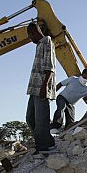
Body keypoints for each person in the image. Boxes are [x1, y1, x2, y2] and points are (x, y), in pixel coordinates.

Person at [25, 22, 57, 155]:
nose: (29, 39)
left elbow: (49, 67)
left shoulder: (47, 42)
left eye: (29, 35)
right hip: (34, 88)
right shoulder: (39, 45)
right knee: (30, 118)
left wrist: (44, 87)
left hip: (41, 87)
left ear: (33, 32)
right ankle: (48, 141)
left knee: (41, 119)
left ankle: (43, 147)